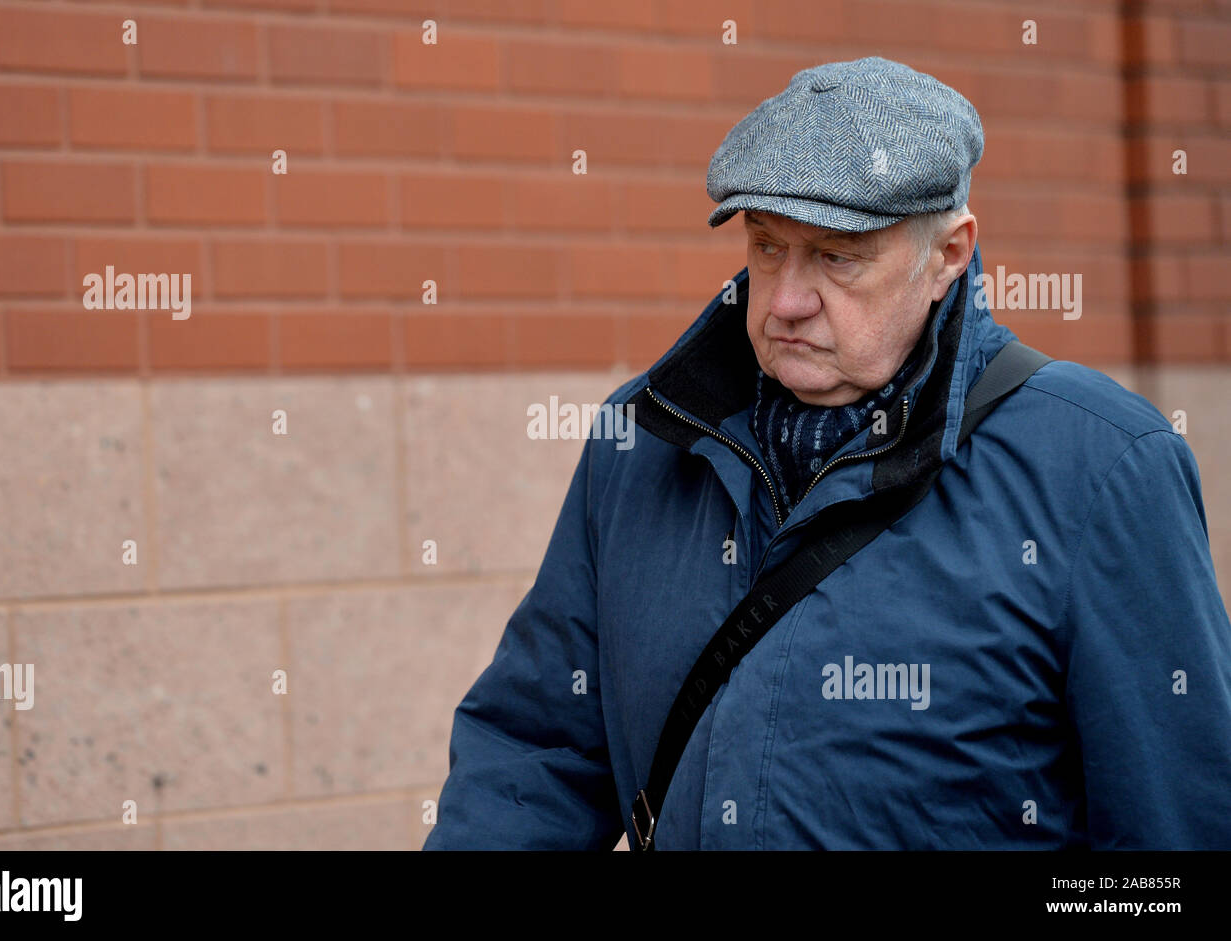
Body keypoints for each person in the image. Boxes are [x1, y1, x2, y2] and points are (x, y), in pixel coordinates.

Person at [424, 57, 1231, 850]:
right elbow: (536, 749)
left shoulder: (1102, 465)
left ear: (948, 254)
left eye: (837, 256)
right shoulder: (638, 443)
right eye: (767, 246)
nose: (784, 302)